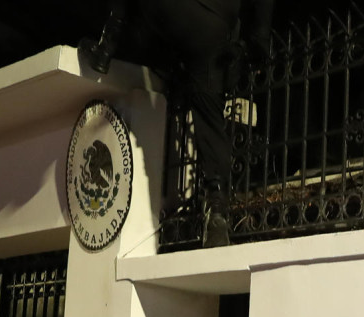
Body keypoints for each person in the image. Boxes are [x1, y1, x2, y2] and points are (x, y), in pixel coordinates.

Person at [80, 0, 276, 247]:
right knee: (210, 116)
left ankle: (107, 46)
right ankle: (216, 213)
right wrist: (255, 46)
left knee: (152, 28)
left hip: (174, 11)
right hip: (214, 28)